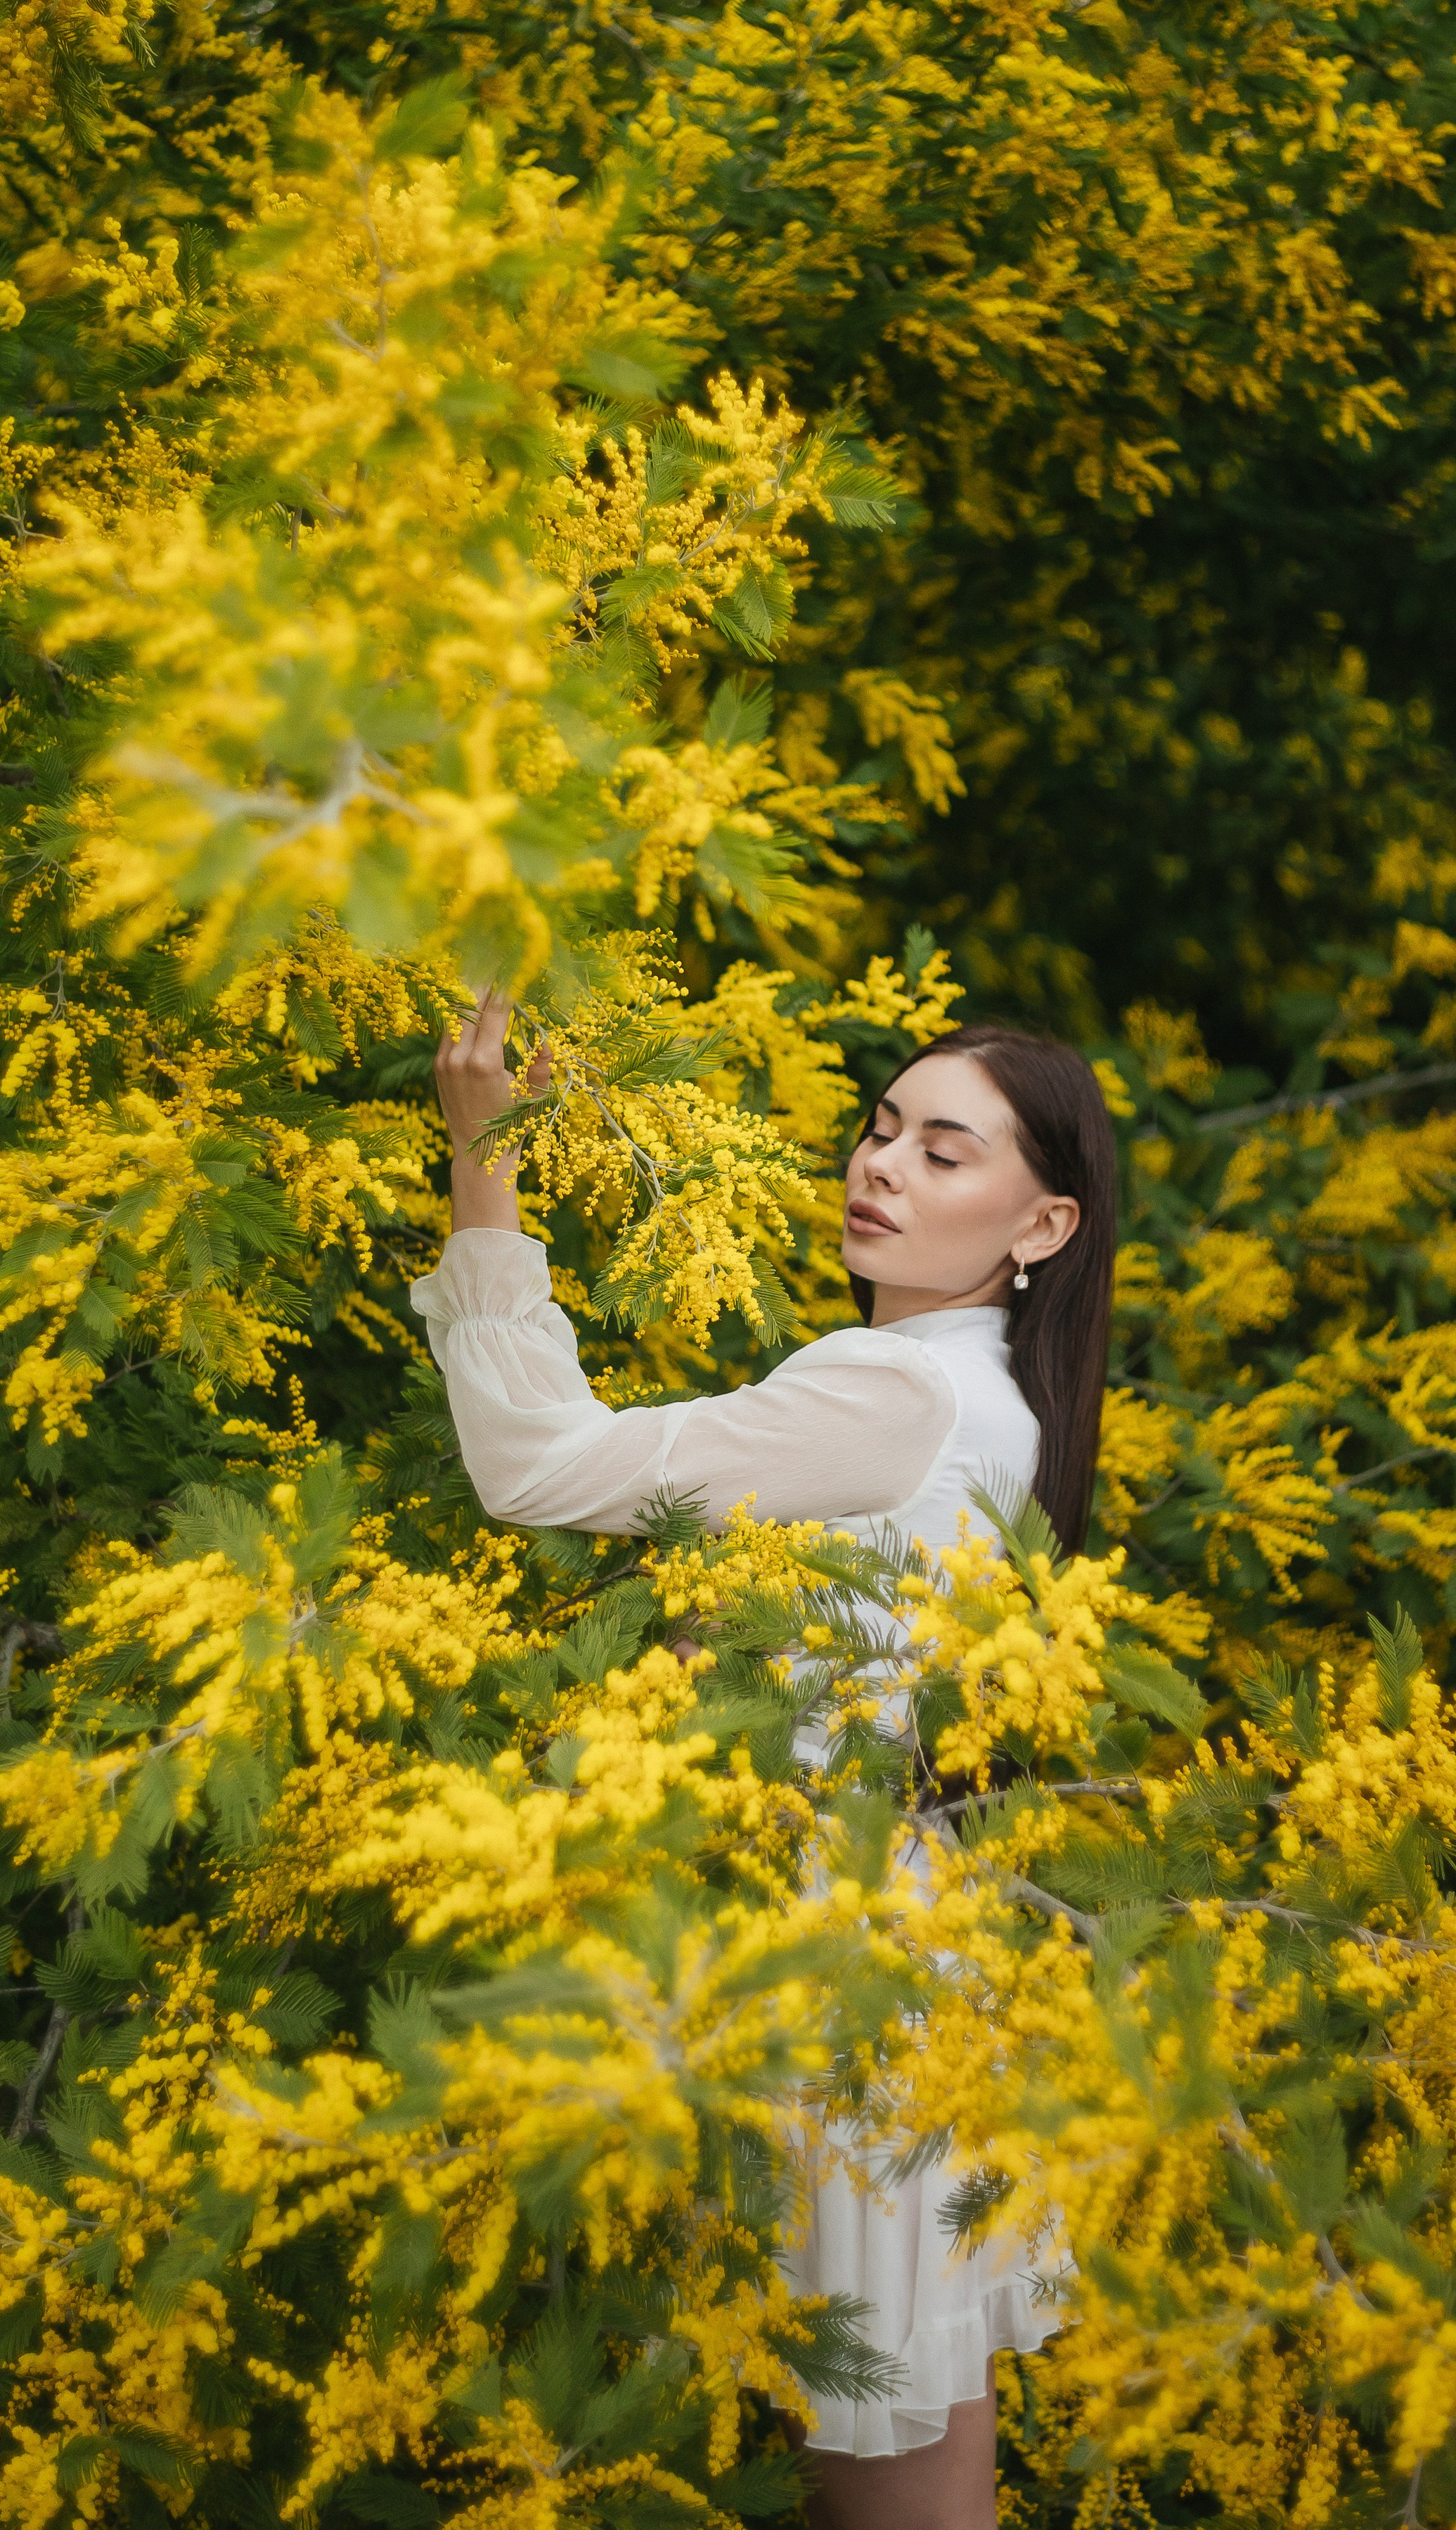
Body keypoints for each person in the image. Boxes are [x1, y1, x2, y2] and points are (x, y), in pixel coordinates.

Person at [413, 993, 1118, 2530]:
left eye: (944, 1153)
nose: (882, 1167)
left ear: (1041, 1222)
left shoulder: (893, 1389)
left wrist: (486, 1165)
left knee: (879, 2489)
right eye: (879, 1130)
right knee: (911, 2482)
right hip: (908, 1952)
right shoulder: (1003, 1399)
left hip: (807, 1965)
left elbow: (532, 1467)